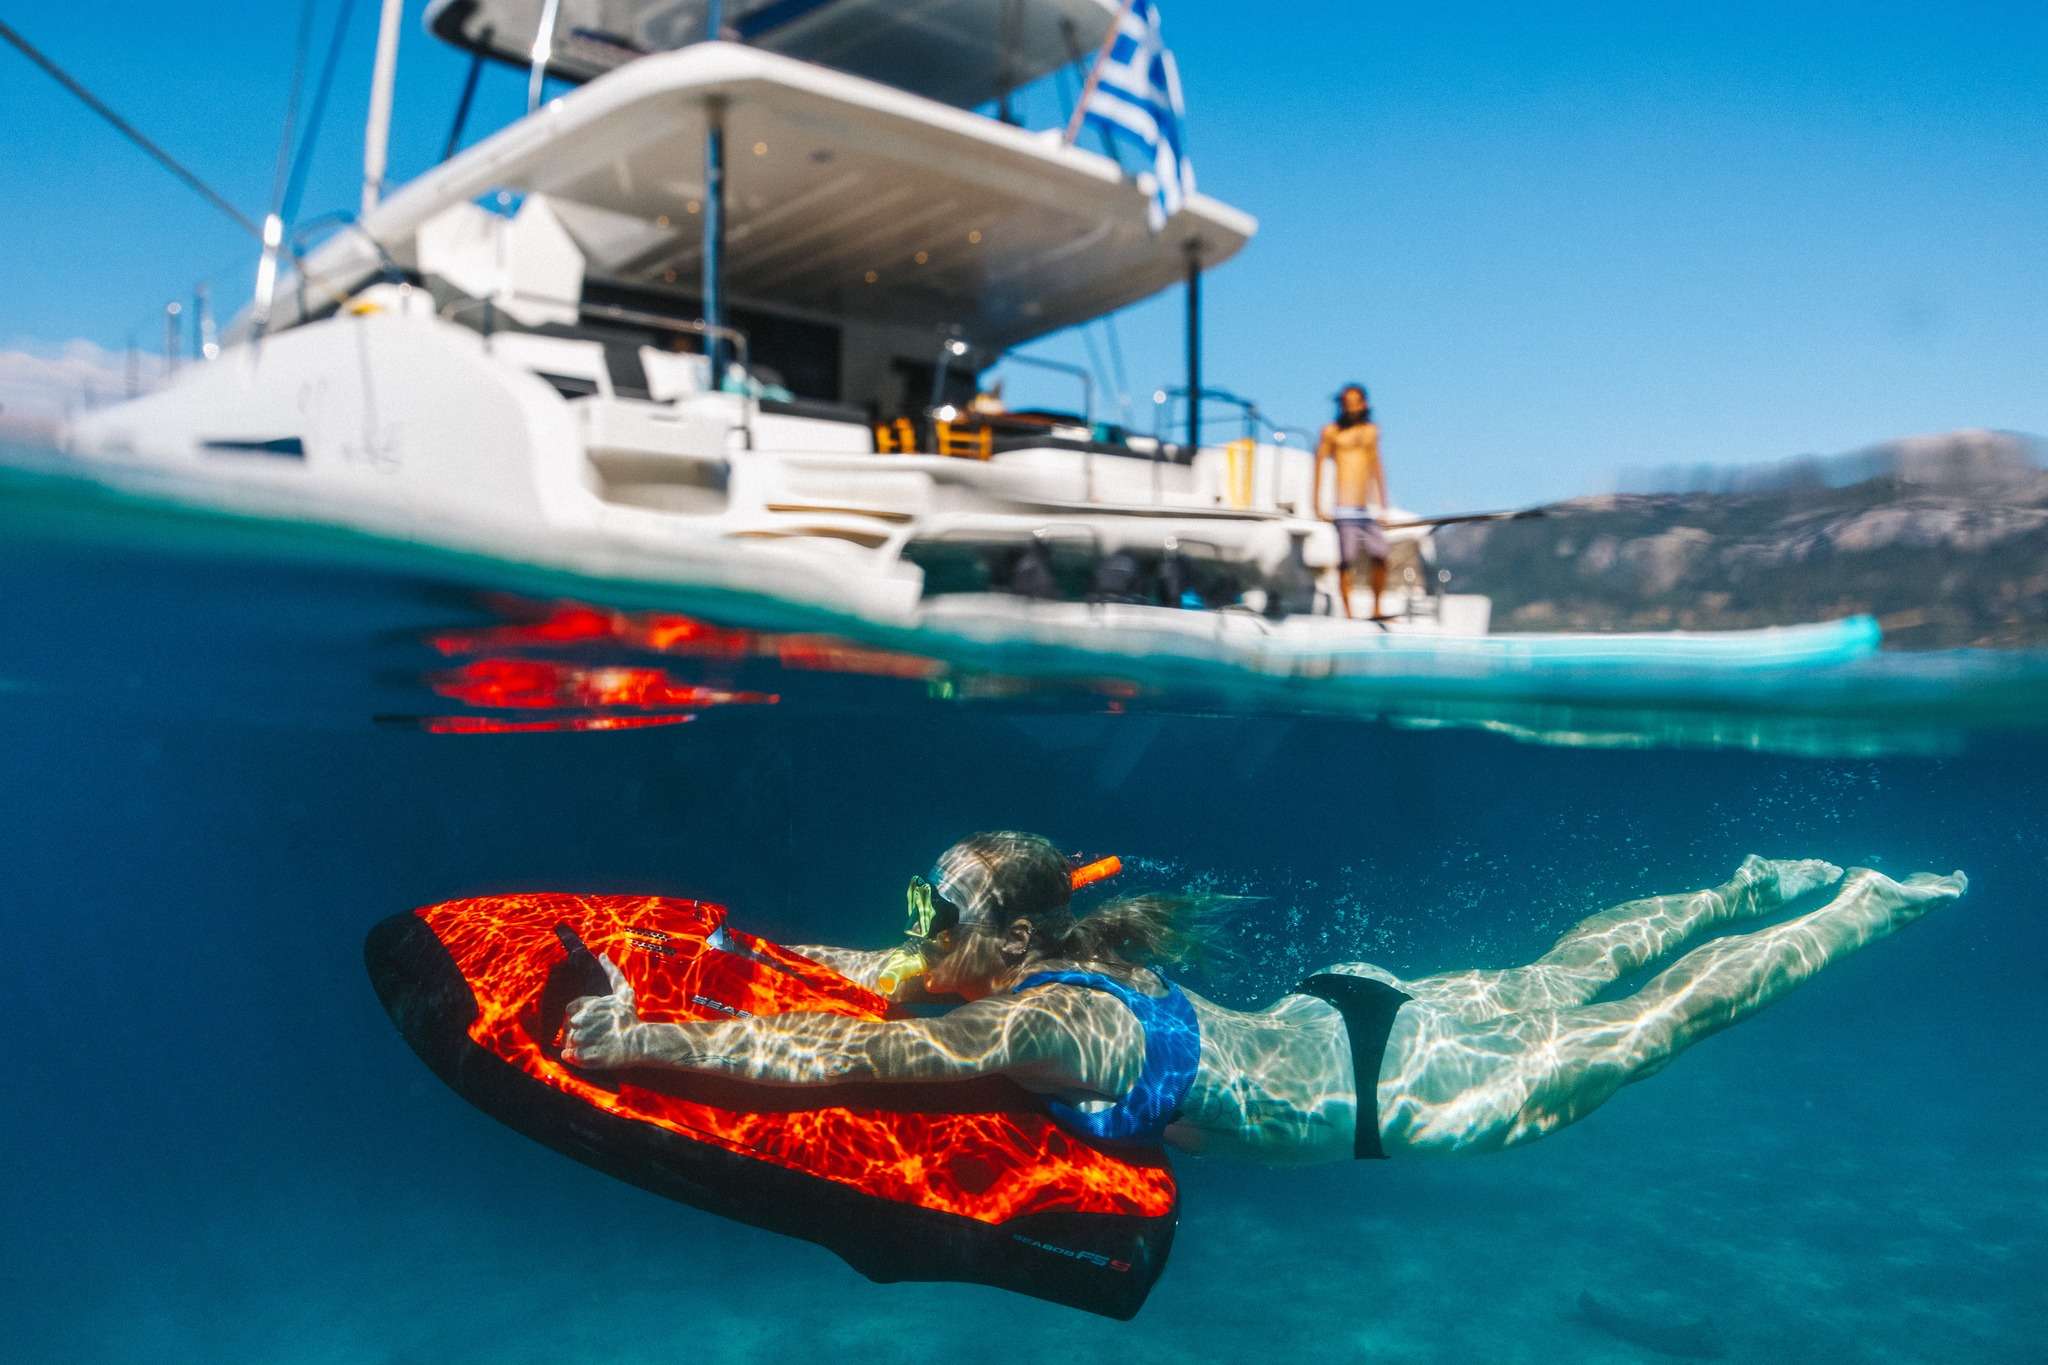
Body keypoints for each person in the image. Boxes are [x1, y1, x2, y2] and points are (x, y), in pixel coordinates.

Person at [564, 832, 1966, 1161]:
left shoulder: (1048, 1019)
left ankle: (1858, 908)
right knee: (1569, 973)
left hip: (1396, 1094)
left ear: (1011, 938)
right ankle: (1737, 886)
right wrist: (717, 950)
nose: (915, 929)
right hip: (1351, 1012)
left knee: (1662, 1019)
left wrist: (638, 1041)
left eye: (937, 913)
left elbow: (841, 1058)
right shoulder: (1052, 962)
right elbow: (855, 975)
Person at [1313, 384, 1390, 621]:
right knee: (1346, 559)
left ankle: (1376, 608)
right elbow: (1318, 465)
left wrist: (1383, 503)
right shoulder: (1332, 432)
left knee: (1380, 555)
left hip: (1366, 507)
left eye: (1355, 402)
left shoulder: (1371, 431)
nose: (1351, 407)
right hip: (1343, 506)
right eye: (1347, 402)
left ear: (1363, 404)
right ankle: (1349, 614)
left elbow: (1376, 464)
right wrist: (1317, 504)